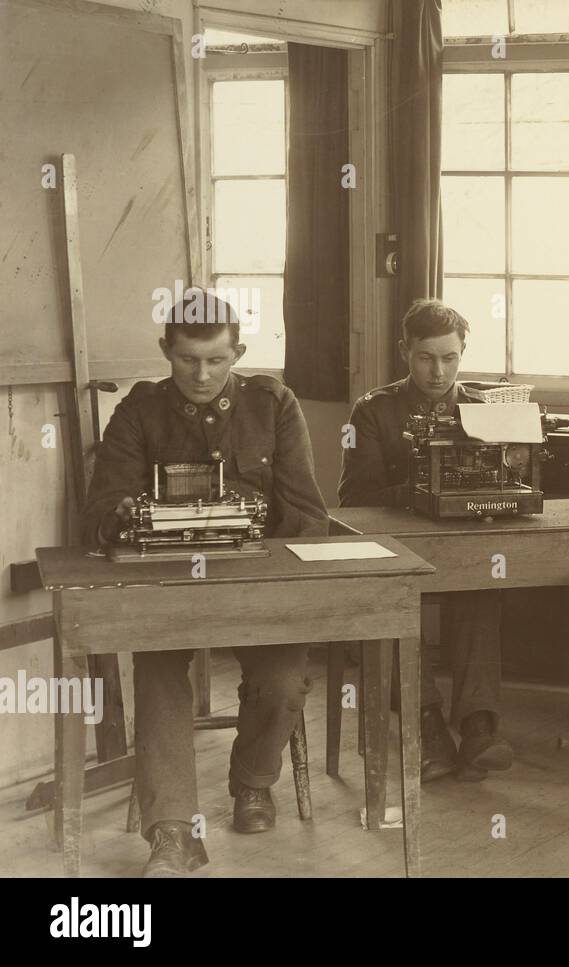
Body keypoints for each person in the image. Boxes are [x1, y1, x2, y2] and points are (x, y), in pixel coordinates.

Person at [84, 290, 329, 877]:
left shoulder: (274, 404)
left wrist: (241, 518)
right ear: (166, 351)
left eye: (217, 361)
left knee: (283, 679)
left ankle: (251, 782)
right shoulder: (140, 411)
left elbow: (308, 514)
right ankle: (173, 834)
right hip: (166, 588)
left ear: (238, 352)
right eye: (188, 360)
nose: (202, 375)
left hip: (255, 581)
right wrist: (126, 515)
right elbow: (100, 509)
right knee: (159, 672)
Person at [339, 297, 511, 782]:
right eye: (425, 358)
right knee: (390, 601)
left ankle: (478, 725)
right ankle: (426, 723)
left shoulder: (483, 410)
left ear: (463, 353)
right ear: (404, 352)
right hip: (396, 554)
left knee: (483, 592)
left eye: (450, 358)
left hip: (463, 552)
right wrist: (426, 491)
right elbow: (355, 500)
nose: (438, 371)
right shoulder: (372, 411)